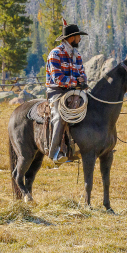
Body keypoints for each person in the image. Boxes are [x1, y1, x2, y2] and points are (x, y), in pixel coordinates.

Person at [45, 19, 89, 164]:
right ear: (72, 37)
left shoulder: (77, 55)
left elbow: (82, 74)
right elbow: (58, 79)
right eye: (78, 36)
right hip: (57, 92)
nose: (80, 39)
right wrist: (76, 82)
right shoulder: (55, 54)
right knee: (60, 115)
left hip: (74, 91)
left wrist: (82, 82)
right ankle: (55, 153)